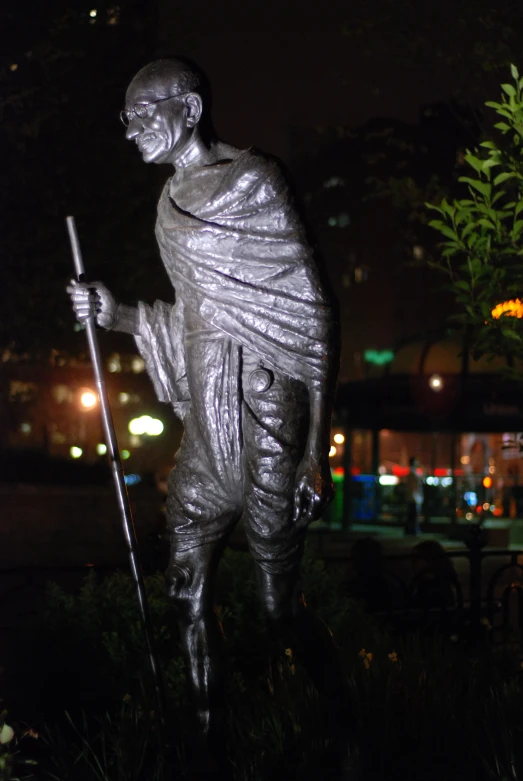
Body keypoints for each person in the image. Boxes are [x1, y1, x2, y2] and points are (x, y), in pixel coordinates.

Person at [68, 58, 347, 777]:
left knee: (275, 609)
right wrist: (117, 312)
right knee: (185, 592)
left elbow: (310, 314)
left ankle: (346, 720)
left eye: (139, 116)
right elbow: (192, 316)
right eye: (124, 120)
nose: (128, 133)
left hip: (265, 422)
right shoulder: (168, 204)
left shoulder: (254, 182)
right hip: (206, 429)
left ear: (186, 109)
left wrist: (315, 450)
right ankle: (205, 753)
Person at [404, 456, 422, 535]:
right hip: (414, 497)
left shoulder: (412, 472)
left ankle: (410, 529)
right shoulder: (413, 473)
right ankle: (413, 530)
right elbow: (414, 487)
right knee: (413, 515)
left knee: (411, 514)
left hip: (413, 497)